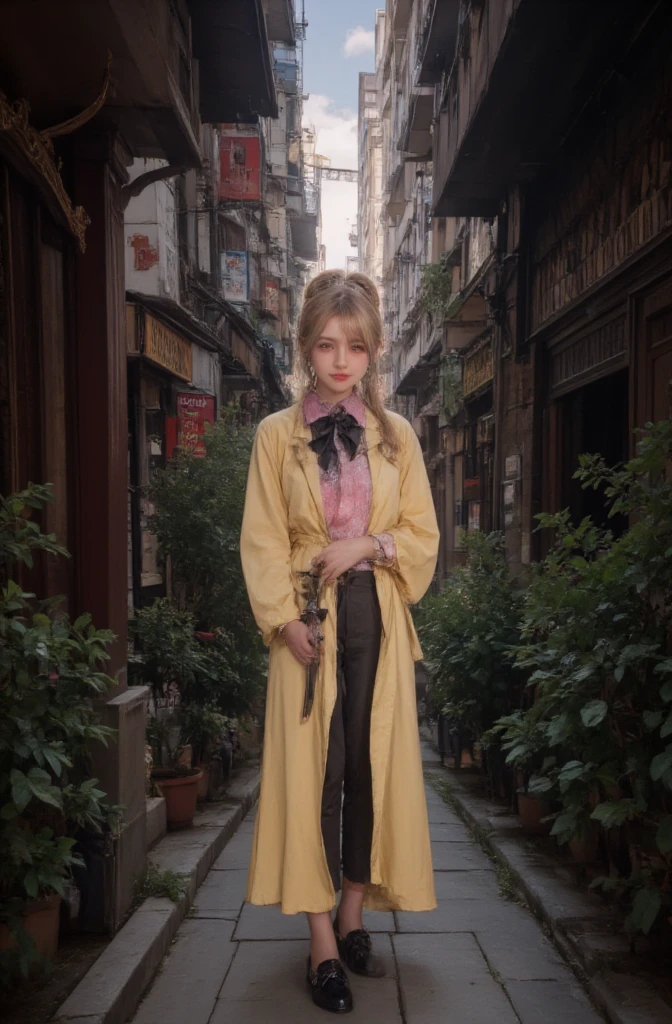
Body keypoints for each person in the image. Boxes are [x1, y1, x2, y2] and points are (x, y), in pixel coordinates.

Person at [239, 270, 439, 1014]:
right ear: (306, 349)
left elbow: (422, 535)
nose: (341, 360)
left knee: (368, 766)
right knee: (315, 776)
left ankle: (355, 910)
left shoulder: (398, 438)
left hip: (377, 620)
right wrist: (281, 621)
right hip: (304, 620)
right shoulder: (274, 437)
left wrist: (365, 547)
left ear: (375, 350)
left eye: (355, 346)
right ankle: (322, 938)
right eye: (326, 345)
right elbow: (261, 539)